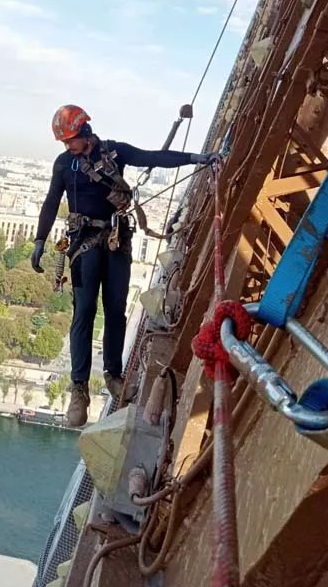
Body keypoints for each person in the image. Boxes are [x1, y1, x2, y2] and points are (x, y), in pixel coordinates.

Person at [31, 104, 218, 427]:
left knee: (115, 309)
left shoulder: (114, 153)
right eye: (65, 141)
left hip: (116, 240)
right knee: (84, 312)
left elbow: (152, 157)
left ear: (85, 132)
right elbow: (51, 201)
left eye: (71, 139)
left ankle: (114, 376)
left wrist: (195, 159)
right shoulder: (64, 164)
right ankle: (79, 389)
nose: (67, 146)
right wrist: (39, 240)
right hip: (84, 244)